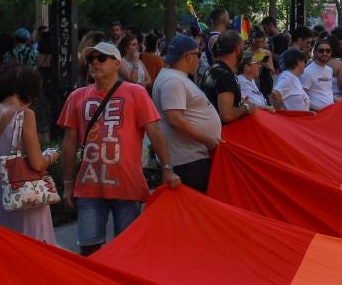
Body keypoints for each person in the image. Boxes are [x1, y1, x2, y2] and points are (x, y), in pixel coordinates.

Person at [60, 41, 179, 255]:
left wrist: (167, 169)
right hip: (89, 186)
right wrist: (68, 182)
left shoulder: (136, 93)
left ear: (117, 63)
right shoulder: (76, 97)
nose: (94, 63)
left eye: (101, 58)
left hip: (127, 186)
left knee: (127, 250)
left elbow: (155, 133)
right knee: (89, 250)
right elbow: (69, 142)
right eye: (91, 59)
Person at [0, 62, 59, 243]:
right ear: (29, 89)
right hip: (23, 204)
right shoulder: (25, 115)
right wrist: (51, 155)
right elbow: (37, 163)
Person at [150, 34, 222, 195]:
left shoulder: (175, 78)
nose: (199, 58)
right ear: (188, 57)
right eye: (198, 54)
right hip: (188, 160)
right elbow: (175, 119)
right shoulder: (173, 82)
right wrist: (207, 140)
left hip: (192, 157)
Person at [201, 31, 257, 128]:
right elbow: (226, 115)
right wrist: (246, 107)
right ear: (238, 49)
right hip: (222, 136)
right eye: (243, 47)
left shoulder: (214, 69)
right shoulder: (225, 75)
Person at [301, 38, 339, 110]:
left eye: (328, 51)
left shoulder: (329, 70)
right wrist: (319, 110)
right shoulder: (307, 72)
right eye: (321, 50)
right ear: (315, 52)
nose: (325, 53)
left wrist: (340, 100)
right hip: (317, 114)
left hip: (330, 112)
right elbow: (302, 97)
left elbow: (325, 92)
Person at [272, 47, 311, 112]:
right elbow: (275, 93)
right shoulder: (288, 76)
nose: (305, 64)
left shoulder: (294, 77)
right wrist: (280, 112)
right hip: (292, 120)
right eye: (304, 61)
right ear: (298, 62)